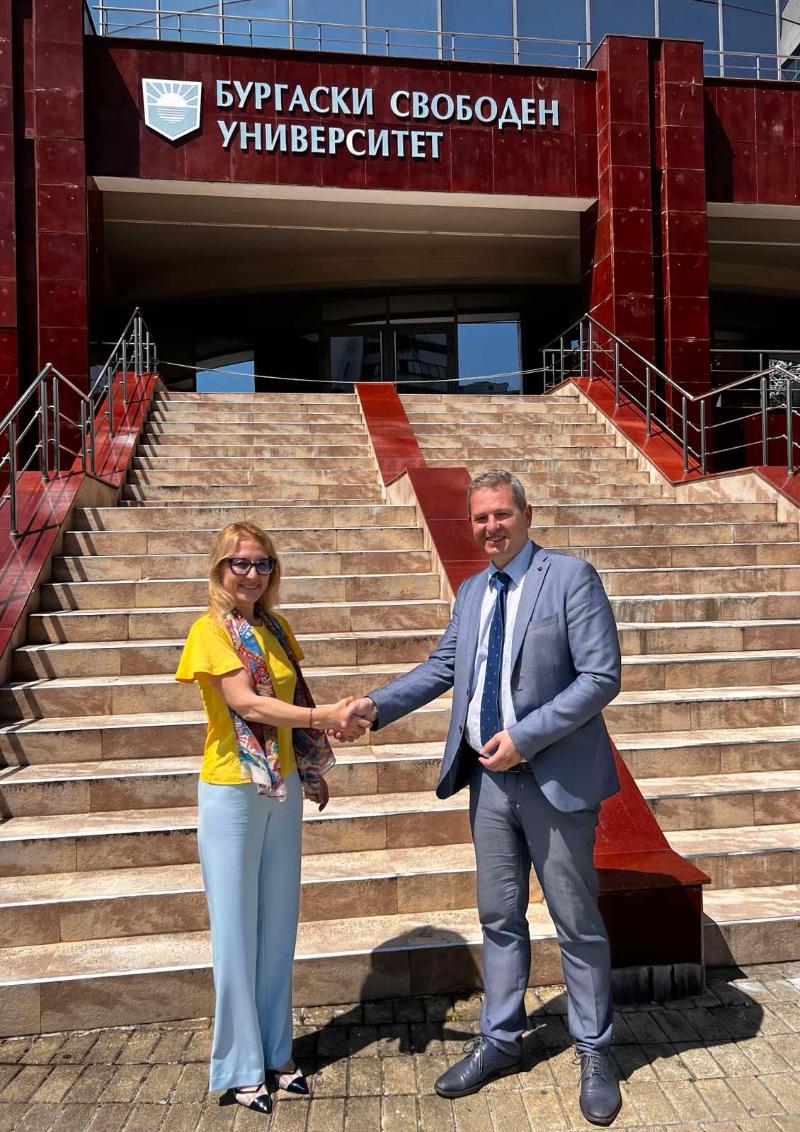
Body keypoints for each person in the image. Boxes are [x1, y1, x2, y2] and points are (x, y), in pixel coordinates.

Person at [339, 470, 623, 1127]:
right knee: (499, 917)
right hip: (490, 784)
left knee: (576, 922)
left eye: (501, 514)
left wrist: (524, 738)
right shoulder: (471, 592)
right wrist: (374, 706)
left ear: (527, 514)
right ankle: (500, 1039)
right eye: (480, 518)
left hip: (554, 781)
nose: (491, 527)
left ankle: (595, 1049)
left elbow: (600, 675)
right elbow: (444, 666)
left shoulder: (569, 577)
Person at [176, 520, 367, 1115]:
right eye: (241, 563)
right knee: (236, 932)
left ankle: (277, 1052)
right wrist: (324, 718)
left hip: (280, 784)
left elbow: (294, 698)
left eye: (263, 563)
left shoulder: (277, 628)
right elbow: (248, 703)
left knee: (279, 926)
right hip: (232, 790)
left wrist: (310, 765)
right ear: (220, 568)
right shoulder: (210, 631)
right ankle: (239, 1066)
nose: (252, 574)